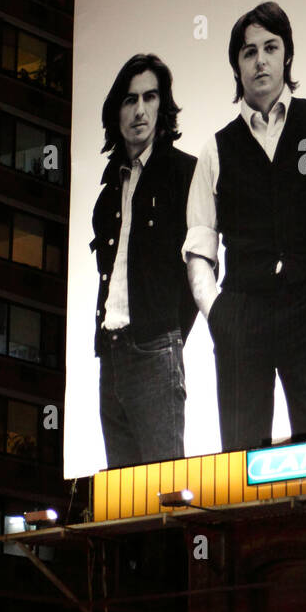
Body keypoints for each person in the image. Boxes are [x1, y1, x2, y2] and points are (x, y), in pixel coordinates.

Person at [184, 1, 306, 451]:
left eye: (270, 47)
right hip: (243, 315)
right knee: (241, 466)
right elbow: (200, 249)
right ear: (236, 67)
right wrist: (218, 314)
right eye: (248, 52)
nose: (260, 60)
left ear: (287, 55)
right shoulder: (214, 150)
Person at [91, 53, 197, 468]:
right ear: (116, 111)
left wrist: (168, 335)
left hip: (155, 350)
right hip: (110, 353)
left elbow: (203, 265)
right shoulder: (107, 192)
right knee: (124, 498)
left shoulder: (184, 173)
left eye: (149, 97)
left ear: (162, 106)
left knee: (165, 492)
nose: (139, 110)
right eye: (129, 99)